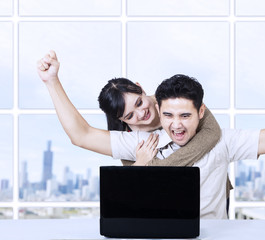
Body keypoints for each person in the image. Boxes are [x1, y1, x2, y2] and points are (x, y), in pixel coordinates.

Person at [108, 52, 265, 218]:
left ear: (201, 112)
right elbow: (83, 137)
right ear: (159, 111)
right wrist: (138, 167)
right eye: (168, 115)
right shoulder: (140, 144)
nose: (176, 124)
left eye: (185, 115)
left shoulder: (222, 140)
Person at [37, 50, 233, 211]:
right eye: (130, 116)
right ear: (121, 120)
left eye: (139, 102)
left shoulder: (171, 98)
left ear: (140, 87)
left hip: (210, 195)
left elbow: (212, 132)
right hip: (166, 203)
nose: (141, 113)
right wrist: (52, 81)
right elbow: (81, 135)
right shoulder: (130, 140)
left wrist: (153, 168)